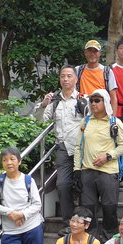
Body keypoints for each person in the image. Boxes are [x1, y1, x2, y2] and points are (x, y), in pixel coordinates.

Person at [74, 89, 123, 238]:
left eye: (97, 100)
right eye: (91, 101)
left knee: (109, 209)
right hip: (87, 171)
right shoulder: (85, 122)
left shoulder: (115, 122)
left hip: (109, 172)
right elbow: (78, 147)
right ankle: (90, 240)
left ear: (105, 102)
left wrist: (108, 156)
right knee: (88, 210)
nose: (93, 103)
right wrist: (77, 170)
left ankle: (109, 239)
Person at [34, 65, 84, 220]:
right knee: (62, 185)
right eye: (63, 76)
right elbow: (40, 119)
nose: (66, 79)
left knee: (85, 185)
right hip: (63, 149)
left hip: (82, 149)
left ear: (76, 79)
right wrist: (43, 104)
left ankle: (84, 222)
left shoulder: (83, 99)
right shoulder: (54, 101)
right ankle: (68, 222)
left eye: (69, 76)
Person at [75, 39, 115, 107]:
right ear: (85, 53)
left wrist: (113, 113)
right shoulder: (78, 70)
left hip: (101, 110)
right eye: (89, 51)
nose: (92, 54)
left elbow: (113, 97)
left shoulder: (107, 72)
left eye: (95, 51)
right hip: (83, 109)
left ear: (100, 53)